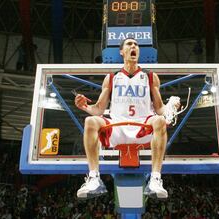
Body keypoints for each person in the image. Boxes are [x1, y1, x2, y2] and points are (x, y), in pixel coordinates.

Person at [74, 37, 179, 199]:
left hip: (143, 126)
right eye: (130, 44)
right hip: (117, 126)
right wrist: (84, 107)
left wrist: (170, 106)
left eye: (136, 45)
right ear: (122, 52)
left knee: (159, 120)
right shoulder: (111, 77)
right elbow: (99, 109)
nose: (134, 46)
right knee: (90, 121)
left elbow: (159, 108)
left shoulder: (151, 77)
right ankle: (94, 178)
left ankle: (155, 179)